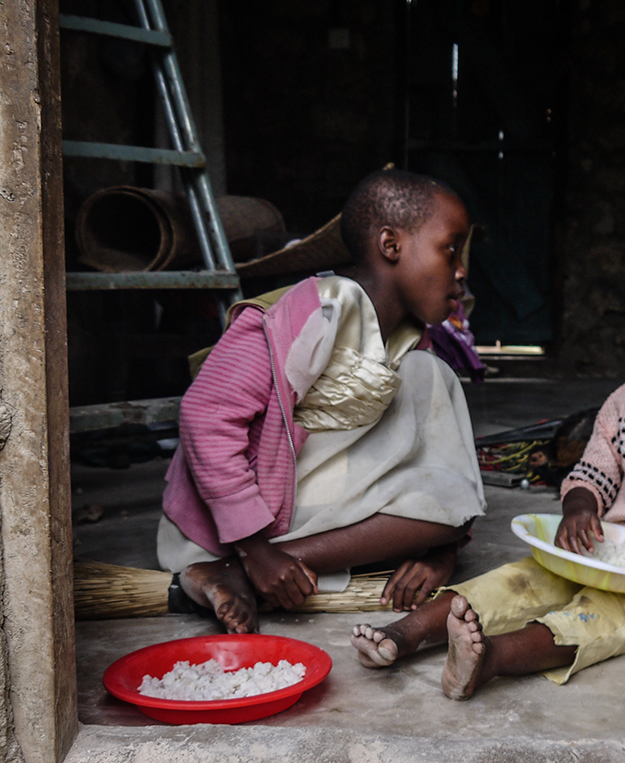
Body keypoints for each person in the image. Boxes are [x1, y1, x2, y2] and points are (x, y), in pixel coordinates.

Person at [350, 245, 625, 699]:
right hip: (611, 550)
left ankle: (491, 658)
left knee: (602, 620)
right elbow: (591, 476)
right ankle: (404, 634)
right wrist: (580, 509)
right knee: (520, 579)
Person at [158, 169, 487, 633]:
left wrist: (441, 554)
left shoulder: (412, 340)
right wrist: (255, 548)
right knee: (436, 413)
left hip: (295, 519)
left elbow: (448, 480)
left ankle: (256, 571)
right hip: (241, 522)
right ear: (391, 245)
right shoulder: (310, 311)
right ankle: (240, 563)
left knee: (450, 483)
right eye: (449, 247)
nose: (461, 270)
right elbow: (204, 415)